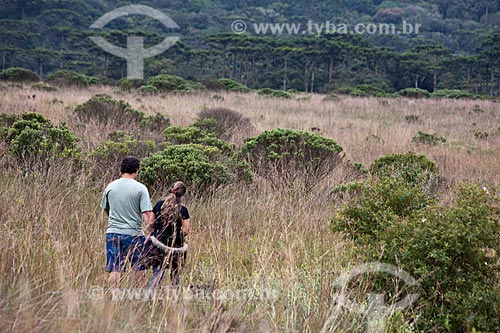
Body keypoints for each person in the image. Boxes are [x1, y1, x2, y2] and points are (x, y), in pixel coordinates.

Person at [100, 156, 154, 288]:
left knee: (115, 268)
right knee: (140, 268)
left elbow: (107, 209)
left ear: (121, 169)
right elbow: (147, 215)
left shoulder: (110, 187)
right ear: (136, 170)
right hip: (134, 234)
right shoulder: (141, 188)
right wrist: (154, 233)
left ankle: (114, 298)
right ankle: (139, 297)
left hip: (113, 232)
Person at [141, 181, 190, 287]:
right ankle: (174, 297)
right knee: (175, 274)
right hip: (175, 246)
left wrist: (157, 231)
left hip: (157, 244)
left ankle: (149, 298)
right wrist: (177, 236)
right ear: (182, 195)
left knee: (157, 274)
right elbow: (186, 231)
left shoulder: (159, 205)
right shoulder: (183, 210)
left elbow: (150, 224)